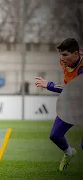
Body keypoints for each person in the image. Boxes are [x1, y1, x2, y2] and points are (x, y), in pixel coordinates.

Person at [35, 38, 83, 171]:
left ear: (76, 54)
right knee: (55, 135)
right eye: (61, 55)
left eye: (65, 55)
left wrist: (49, 85)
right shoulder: (64, 61)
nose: (62, 58)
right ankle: (69, 153)